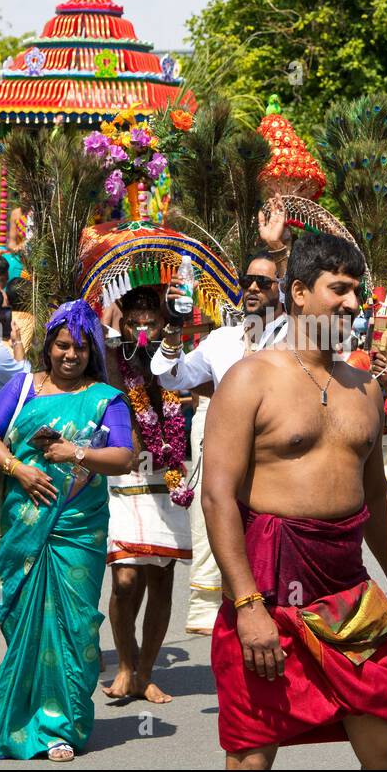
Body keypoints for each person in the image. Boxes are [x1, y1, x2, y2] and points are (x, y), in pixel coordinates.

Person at [203, 232, 387, 770]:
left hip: (349, 599)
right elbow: (216, 498)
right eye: (340, 289)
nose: (353, 304)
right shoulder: (250, 380)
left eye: (357, 292)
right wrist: (246, 606)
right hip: (268, 593)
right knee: (252, 758)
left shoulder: (366, 389)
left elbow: (374, 497)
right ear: (300, 292)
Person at [0, 300, 135, 761]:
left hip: (77, 529)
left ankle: (61, 726)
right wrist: (17, 469)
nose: (71, 355)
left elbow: (124, 457)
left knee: (73, 627)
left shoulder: (106, 398)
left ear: (92, 352)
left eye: (81, 348)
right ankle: (18, 720)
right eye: (63, 345)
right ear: (48, 346)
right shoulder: (24, 386)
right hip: (24, 521)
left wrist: (76, 454)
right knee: (23, 619)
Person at [153, 248, 288, 634]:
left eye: (264, 282)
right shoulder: (222, 339)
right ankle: (232, 619)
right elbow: (172, 377)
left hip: (276, 459)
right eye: (247, 281)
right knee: (224, 531)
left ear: (281, 289)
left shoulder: (296, 336)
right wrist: (173, 331)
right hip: (227, 456)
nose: (253, 288)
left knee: (270, 542)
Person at [103, 286, 192, 703]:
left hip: (168, 475)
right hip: (123, 479)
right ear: (122, 324)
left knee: (160, 576)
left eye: (150, 322)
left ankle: (144, 672)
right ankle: (124, 664)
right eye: (134, 322)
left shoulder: (174, 356)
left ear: (161, 323)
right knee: (124, 578)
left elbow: (201, 384)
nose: (142, 329)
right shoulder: (110, 357)